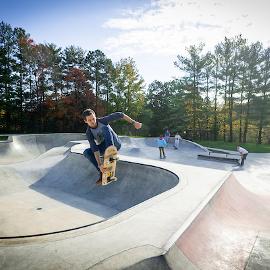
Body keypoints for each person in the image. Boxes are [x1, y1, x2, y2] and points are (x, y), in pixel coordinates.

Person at [82, 109, 142, 185]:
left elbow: (120, 114)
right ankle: (103, 172)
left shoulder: (103, 121)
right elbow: (94, 148)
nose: (93, 121)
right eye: (89, 120)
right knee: (86, 152)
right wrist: (100, 164)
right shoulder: (89, 133)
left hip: (116, 143)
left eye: (93, 118)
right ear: (85, 121)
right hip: (104, 146)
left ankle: (111, 156)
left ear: (95, 117)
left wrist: (134, 122)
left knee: (105, 128)